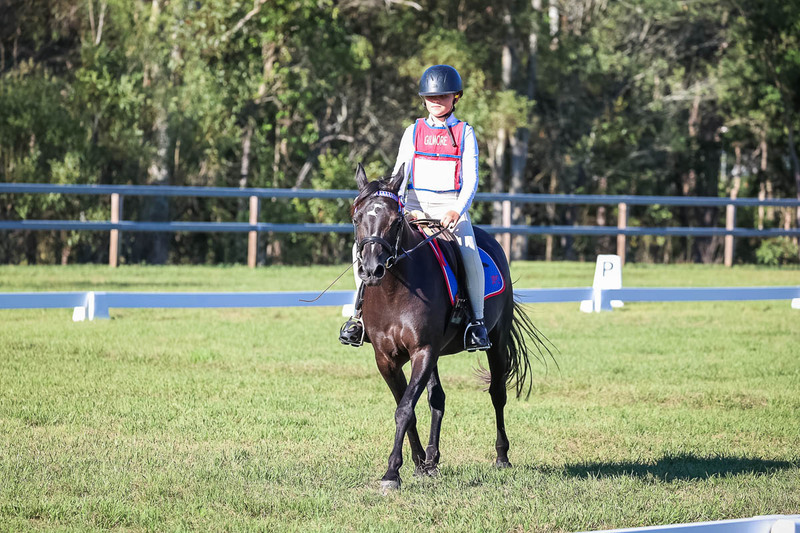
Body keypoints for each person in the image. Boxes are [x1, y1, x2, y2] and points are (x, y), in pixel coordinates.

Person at [340, 64, 491, 351]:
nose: (437, 102)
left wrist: (457, 211)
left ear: (455, 98)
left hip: (449, 207)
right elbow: (400, 174)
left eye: (443, 97)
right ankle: (357, 316)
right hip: (413, 206)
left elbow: (471, 179)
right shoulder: (413, 131)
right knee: (365, 248)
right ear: (424, 99)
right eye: (432, 97)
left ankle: (477, 322)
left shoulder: (464, 132)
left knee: (469, 253)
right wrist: (401, 208)